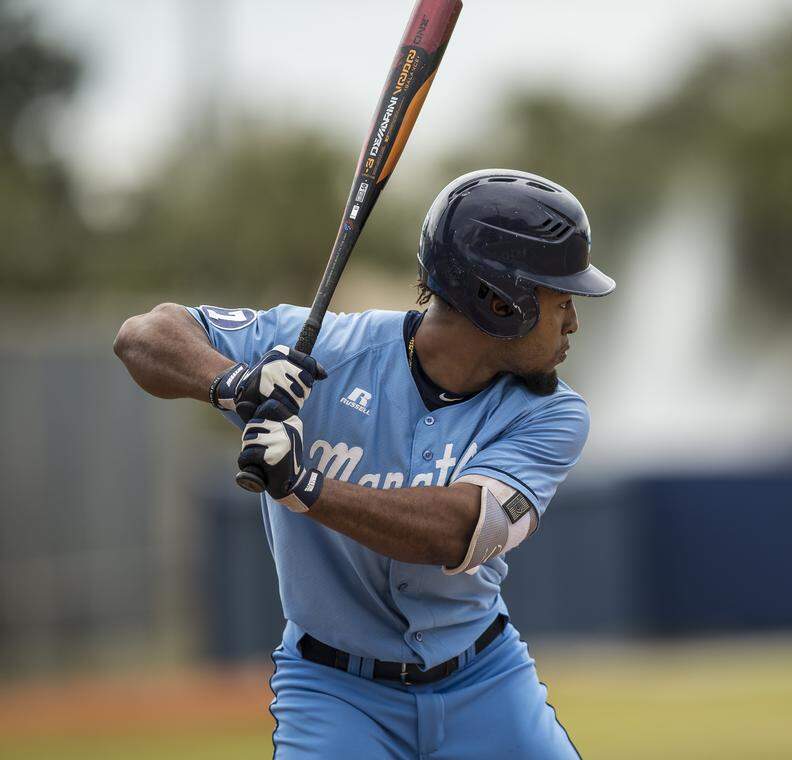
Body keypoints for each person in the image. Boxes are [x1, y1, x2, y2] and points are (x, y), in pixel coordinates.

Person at [113, 168, 615, 758]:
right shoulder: (328, 351)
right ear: (501, 302)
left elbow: (464, 531)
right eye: (562, 300)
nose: (574, 321)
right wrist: (235, 383)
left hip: (485, 681)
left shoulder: (552, 414)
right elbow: (143, 336)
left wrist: (304, 486)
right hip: (334, 692)